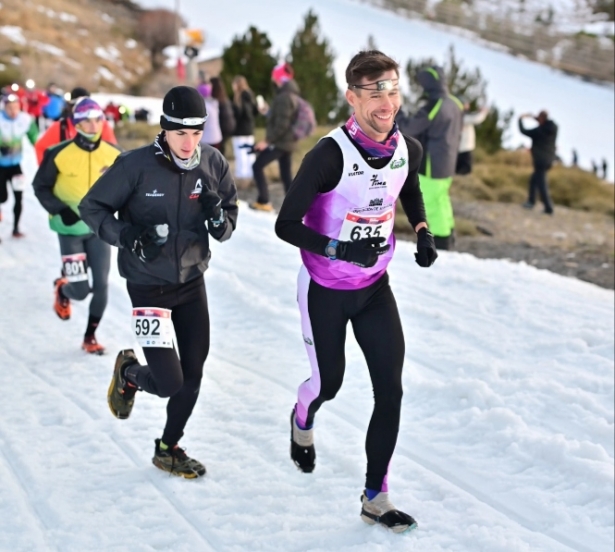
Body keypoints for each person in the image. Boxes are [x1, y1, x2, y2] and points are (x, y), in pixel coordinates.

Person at [275, 50, 437, 533]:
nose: (385, 102)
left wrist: (423, 229)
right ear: (352, 97)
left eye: (391, 89)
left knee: (391, 390)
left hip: (373, 288)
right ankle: (302, 418)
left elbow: (406, 186)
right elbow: (285, 225)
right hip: (324, 288)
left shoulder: (408, 147)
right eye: (373, 93)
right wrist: (338, 248)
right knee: (329, 385)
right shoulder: (329, 156)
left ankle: (376, 496)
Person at [79, 86, 238, 478]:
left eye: (197, 133)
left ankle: (168, 447)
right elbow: (92, 207)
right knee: (169, 382)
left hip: (191, 281)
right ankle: (129, 373)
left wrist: (219, 219)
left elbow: (228, 221)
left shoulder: (213, 163)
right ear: (164, 128)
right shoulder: (135, 165)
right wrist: (127, 235)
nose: (189, 143)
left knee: (194, 374)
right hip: (148, 284)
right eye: (181, 133)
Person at [32, 98, 121, 353]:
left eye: (97, 119)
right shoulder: (58, 153)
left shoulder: (115, 154)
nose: (93, 125)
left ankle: (90, 337)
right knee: (81, 290)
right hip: (69, 230)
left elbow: (128, 191)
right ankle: (64, 288)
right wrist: (60, 210)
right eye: (87, 120)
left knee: (102, 285)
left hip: (99, 230)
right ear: (76, 123)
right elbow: (41, 187)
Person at [396, 66, 463, 250]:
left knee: (430, 204)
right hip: (448, 162)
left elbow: (408, 128)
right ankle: (449, 235)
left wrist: (397, 109)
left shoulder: (434, 105)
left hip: (432, 165)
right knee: (442, 200)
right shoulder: (454, 102)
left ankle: (442, 243)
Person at [250, 62, 300, 212]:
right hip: (288, 141)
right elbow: (280, 118)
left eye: (274, 76)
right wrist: (267, 112)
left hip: (282, 142)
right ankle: (295, 208)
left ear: (279, 78)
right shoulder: (289, 94)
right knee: (286, 176)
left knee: (257, 166)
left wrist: (267, 141)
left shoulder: (284, 97)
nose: (272, 79)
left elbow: (281, 125)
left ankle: (264, 201)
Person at [34, 87, 117, 164]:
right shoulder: (61, 127)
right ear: (71, 106)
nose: (83, 109)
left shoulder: (102, 125)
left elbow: (113, 152)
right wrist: (49, 173)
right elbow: (41, 148)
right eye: (79, 105)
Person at [0, 94, 38, 239]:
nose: (13, 111)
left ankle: (16, 228)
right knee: (2, 198)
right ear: (4, 108)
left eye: (16, 107)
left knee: (19, 197)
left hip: (16, 166)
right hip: (1, 167)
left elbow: (35, 138)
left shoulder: (25, 120)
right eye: (10, 108)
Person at [519, 110, 557, 215]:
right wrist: (535, 118)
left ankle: (548, 208)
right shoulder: (552, 128)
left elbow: (524, 131)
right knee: (534, 180)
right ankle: (531, 201)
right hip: (549, 160)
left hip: (540, 161)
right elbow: (546, 123)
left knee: (541, 184)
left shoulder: (538, 131)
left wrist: (520, 119)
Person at [231, 75, 258, 185]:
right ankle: (251, 175)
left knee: (240, 154)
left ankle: (242, 178)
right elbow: (255, 112)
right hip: (249, 129)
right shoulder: (250, 95)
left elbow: (240, 113)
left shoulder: (240, 97)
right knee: (250, 154)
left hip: (240, 130)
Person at [456, 99, 488, 175]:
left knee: (461, 167)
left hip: (462, 147)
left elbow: (473, 116)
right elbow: (476, 119)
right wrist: (483, 112)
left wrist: (479, 112)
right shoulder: (461, 116)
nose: (468, 105)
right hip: (463, 147)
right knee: (465, 168)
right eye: (466, 104)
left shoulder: (461, 115)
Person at [211, 77, 236, 158]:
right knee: (221, 149)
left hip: (223, 128)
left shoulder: (215, 101)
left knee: (218, 150)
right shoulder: (224, 98)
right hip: (229, 127)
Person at [198, 80, 223, 151]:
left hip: (208, 138)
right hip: (217, 136)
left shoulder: (204, 106)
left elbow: (203, 124)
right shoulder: (214, 102)